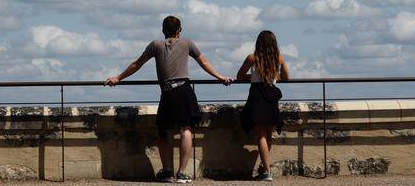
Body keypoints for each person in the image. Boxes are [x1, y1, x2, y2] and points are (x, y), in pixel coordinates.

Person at [104, 15, 231, 183]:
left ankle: (167, 171)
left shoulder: (155, 45)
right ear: (179, 30)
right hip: (184, 90)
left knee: (163, 132)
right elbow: (204, 62)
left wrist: (119, 77)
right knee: (186, 129)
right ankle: (182, 172)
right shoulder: (187, 43)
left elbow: (137, 64)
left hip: (167, 92)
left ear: (163, 30)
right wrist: (220, 77)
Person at [236, 30, 290, 182]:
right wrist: (275, 76)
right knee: (268, 134)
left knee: (261, 135)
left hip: (257, 96)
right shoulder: (278, 58)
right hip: (271, 96)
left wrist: (252, 77)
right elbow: (287, 77)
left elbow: (239, 76)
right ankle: (264, 168)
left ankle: (266, 170)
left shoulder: (252, 58)